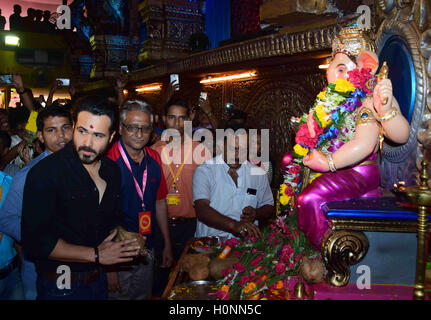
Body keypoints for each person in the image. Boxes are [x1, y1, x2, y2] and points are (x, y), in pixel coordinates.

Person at [294, 26, 410, 249]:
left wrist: (385, 111)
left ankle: (325, 254)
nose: (332, 73)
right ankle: (297, 244)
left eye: (340, 68)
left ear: (366, 67)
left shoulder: (369, 98)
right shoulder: (331, 101)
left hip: (360, 171)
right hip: (335, 164)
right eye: (332, 66)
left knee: (309, 198)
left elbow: (387, 139)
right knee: (290, 163)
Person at [21, 95, 142, 300]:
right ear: (74, 126)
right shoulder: (45, 173)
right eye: (82, 131)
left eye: (98, 135)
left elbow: (112, 218)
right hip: (60, 285)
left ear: (112, 136)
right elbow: (35, 242)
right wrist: (96, 255)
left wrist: (126, 238)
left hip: (99, 281)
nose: (87, 143)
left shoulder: (112, 171)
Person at [0, 105, 73, 300]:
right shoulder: (28, 175)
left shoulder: (86, 168)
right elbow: (6, 219)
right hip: (41, 273)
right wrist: (42, 239)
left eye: (66, 127)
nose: (61, 136)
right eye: (52, 130)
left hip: (78, 268)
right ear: (40, 136)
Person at [106, 100, 174, 300]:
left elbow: (160, 201)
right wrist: (109, 268)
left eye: (145, 128)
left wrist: (167, 244)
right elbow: (101, 216)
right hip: (117, 254)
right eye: (132, 127)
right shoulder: (108, 161)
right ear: (120, 128)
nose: (139, 133)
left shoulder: (154, 157)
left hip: (147, 249)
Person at [151, 98, 212, 295]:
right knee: (158, 284)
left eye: (182, 118)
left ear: (190, 118)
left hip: (191, 227)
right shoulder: (152, 152)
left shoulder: (201, 151)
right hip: (158, 228)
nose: (176, 124)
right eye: (171, 118)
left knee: (189, 282)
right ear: (163, 119)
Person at [193, 124, 275, 239]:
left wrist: (256, 213)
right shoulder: (205, 171)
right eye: (233, 149)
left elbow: (269, 206)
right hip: (210, 244)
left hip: (244, 246)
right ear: (222, 145)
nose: (237, 155)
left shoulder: (258, 174)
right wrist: (233, 225)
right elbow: (202, 209)